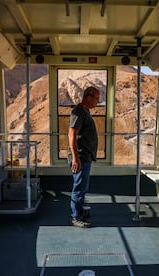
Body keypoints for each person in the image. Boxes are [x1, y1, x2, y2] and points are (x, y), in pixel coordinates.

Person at [68, 86, 100, 228]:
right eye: (96, 99)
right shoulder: (79, 112)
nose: (97, 102)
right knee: (79, 188)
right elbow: (72, 134)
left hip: (85, 156)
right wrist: (76, 158)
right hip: (80, 156)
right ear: (88, 98)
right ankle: (76, 217)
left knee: (82, 187)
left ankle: (79, 211)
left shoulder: (85, 111)